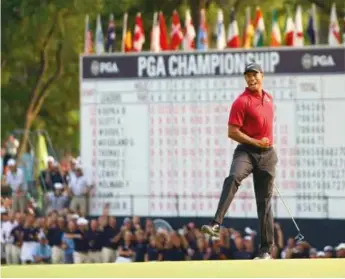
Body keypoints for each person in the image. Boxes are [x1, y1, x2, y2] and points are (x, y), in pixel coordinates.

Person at [201, 63, 277, 260]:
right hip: (247, 152)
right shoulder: (241, 102)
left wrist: (266, 148)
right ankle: (215, 225)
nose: (251, 79)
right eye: (247, 76)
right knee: (233, 177)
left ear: (262, 75)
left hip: (267, 155)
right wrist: (255, 142)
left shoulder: (268, 98)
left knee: (265, 202)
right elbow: (232, 132)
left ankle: (266, 250)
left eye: (254, 75)